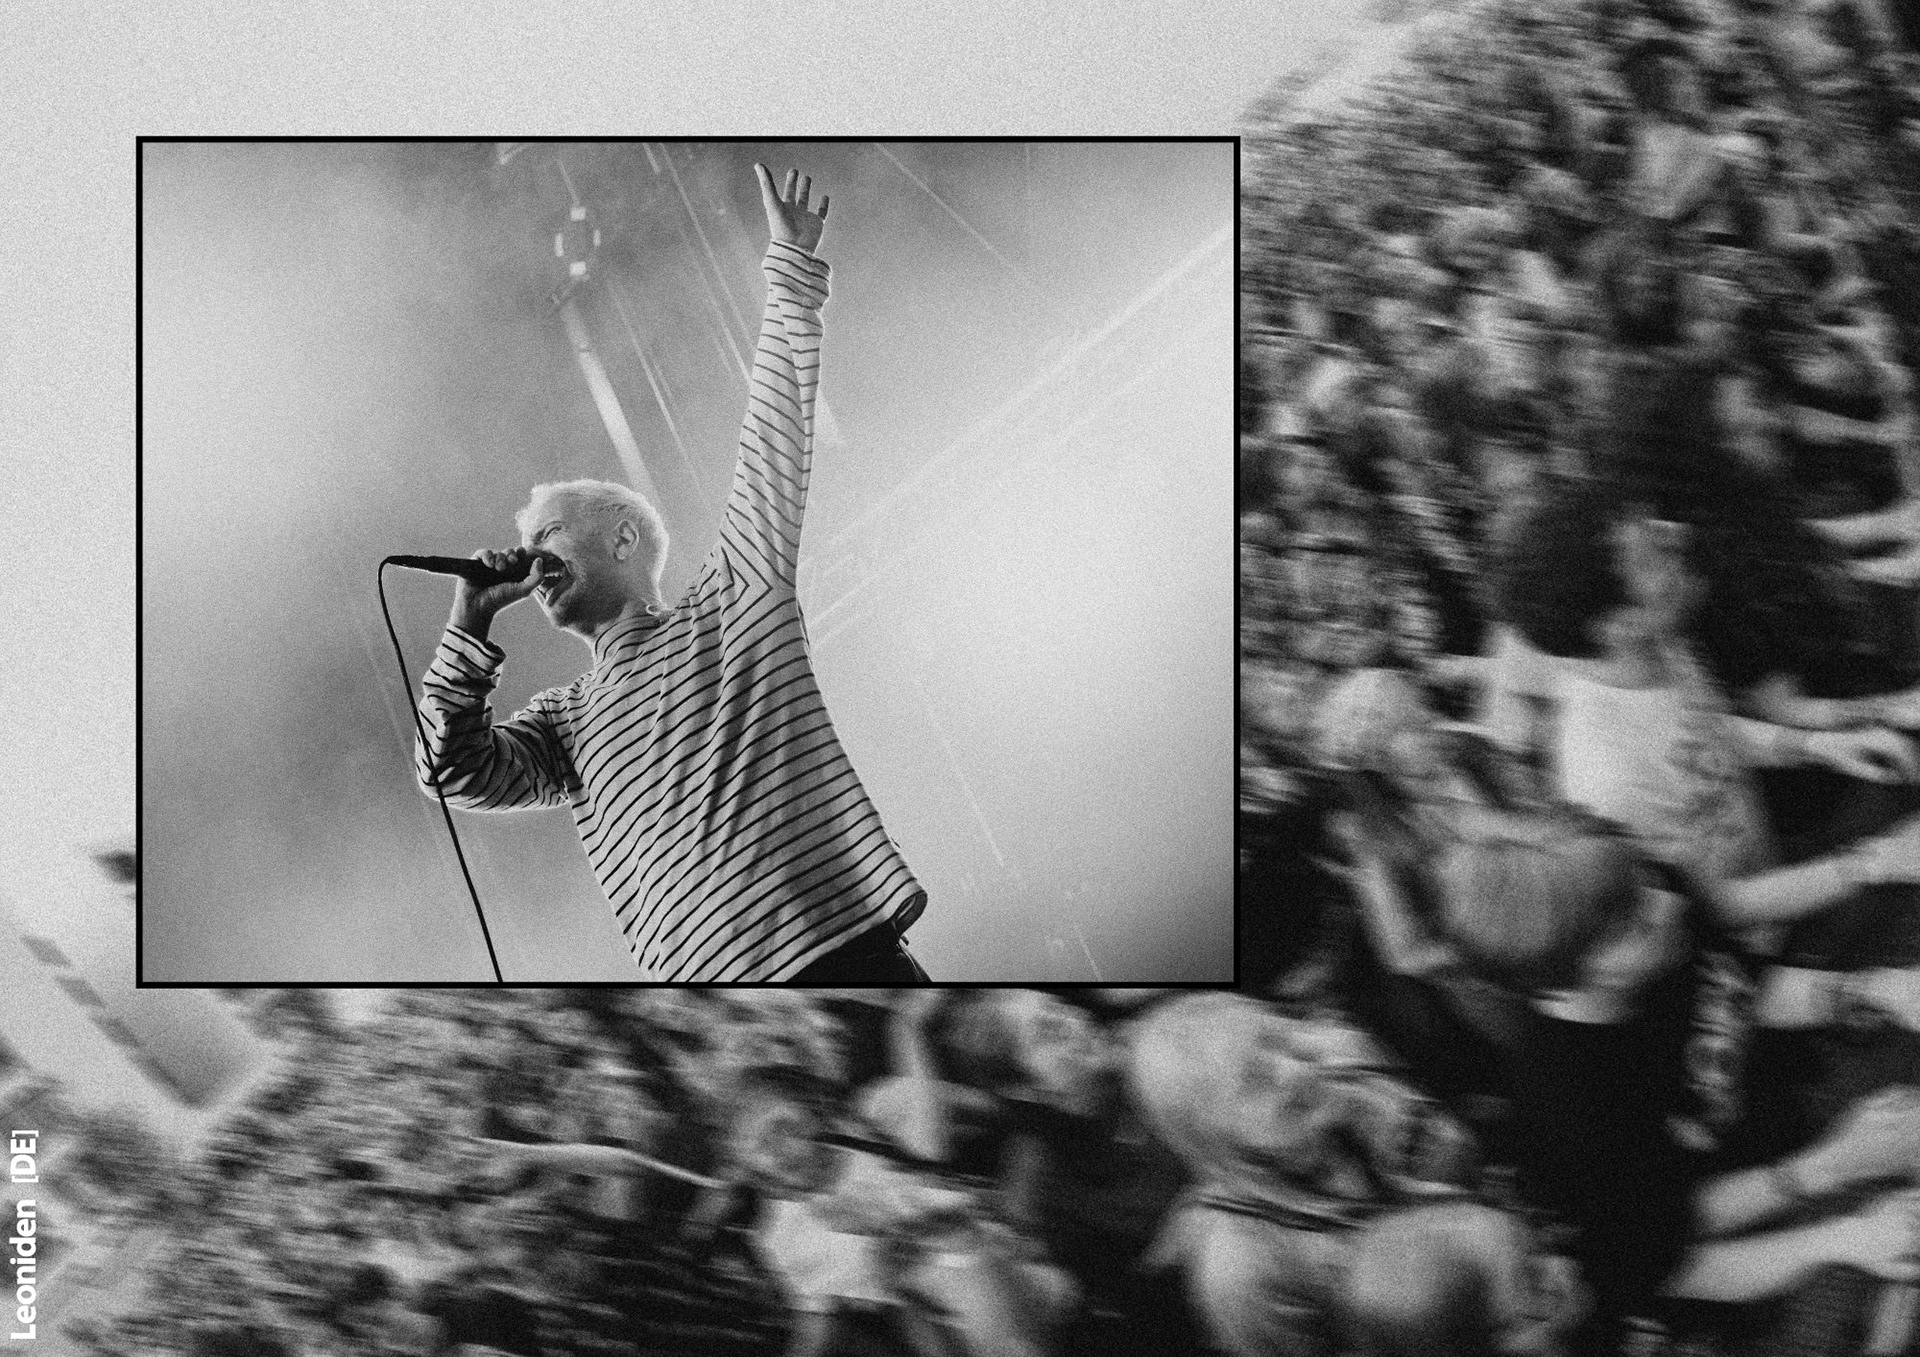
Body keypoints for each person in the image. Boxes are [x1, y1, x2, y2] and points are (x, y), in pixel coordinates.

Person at [412, 163, 927, 983]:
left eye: (549, 533)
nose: (532, 557)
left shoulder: (733, 602)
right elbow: (450, 771)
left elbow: (772, 441)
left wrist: (790, 270)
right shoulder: (564, 723)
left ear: (622, 537)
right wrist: (468, 620)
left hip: (846, 959)